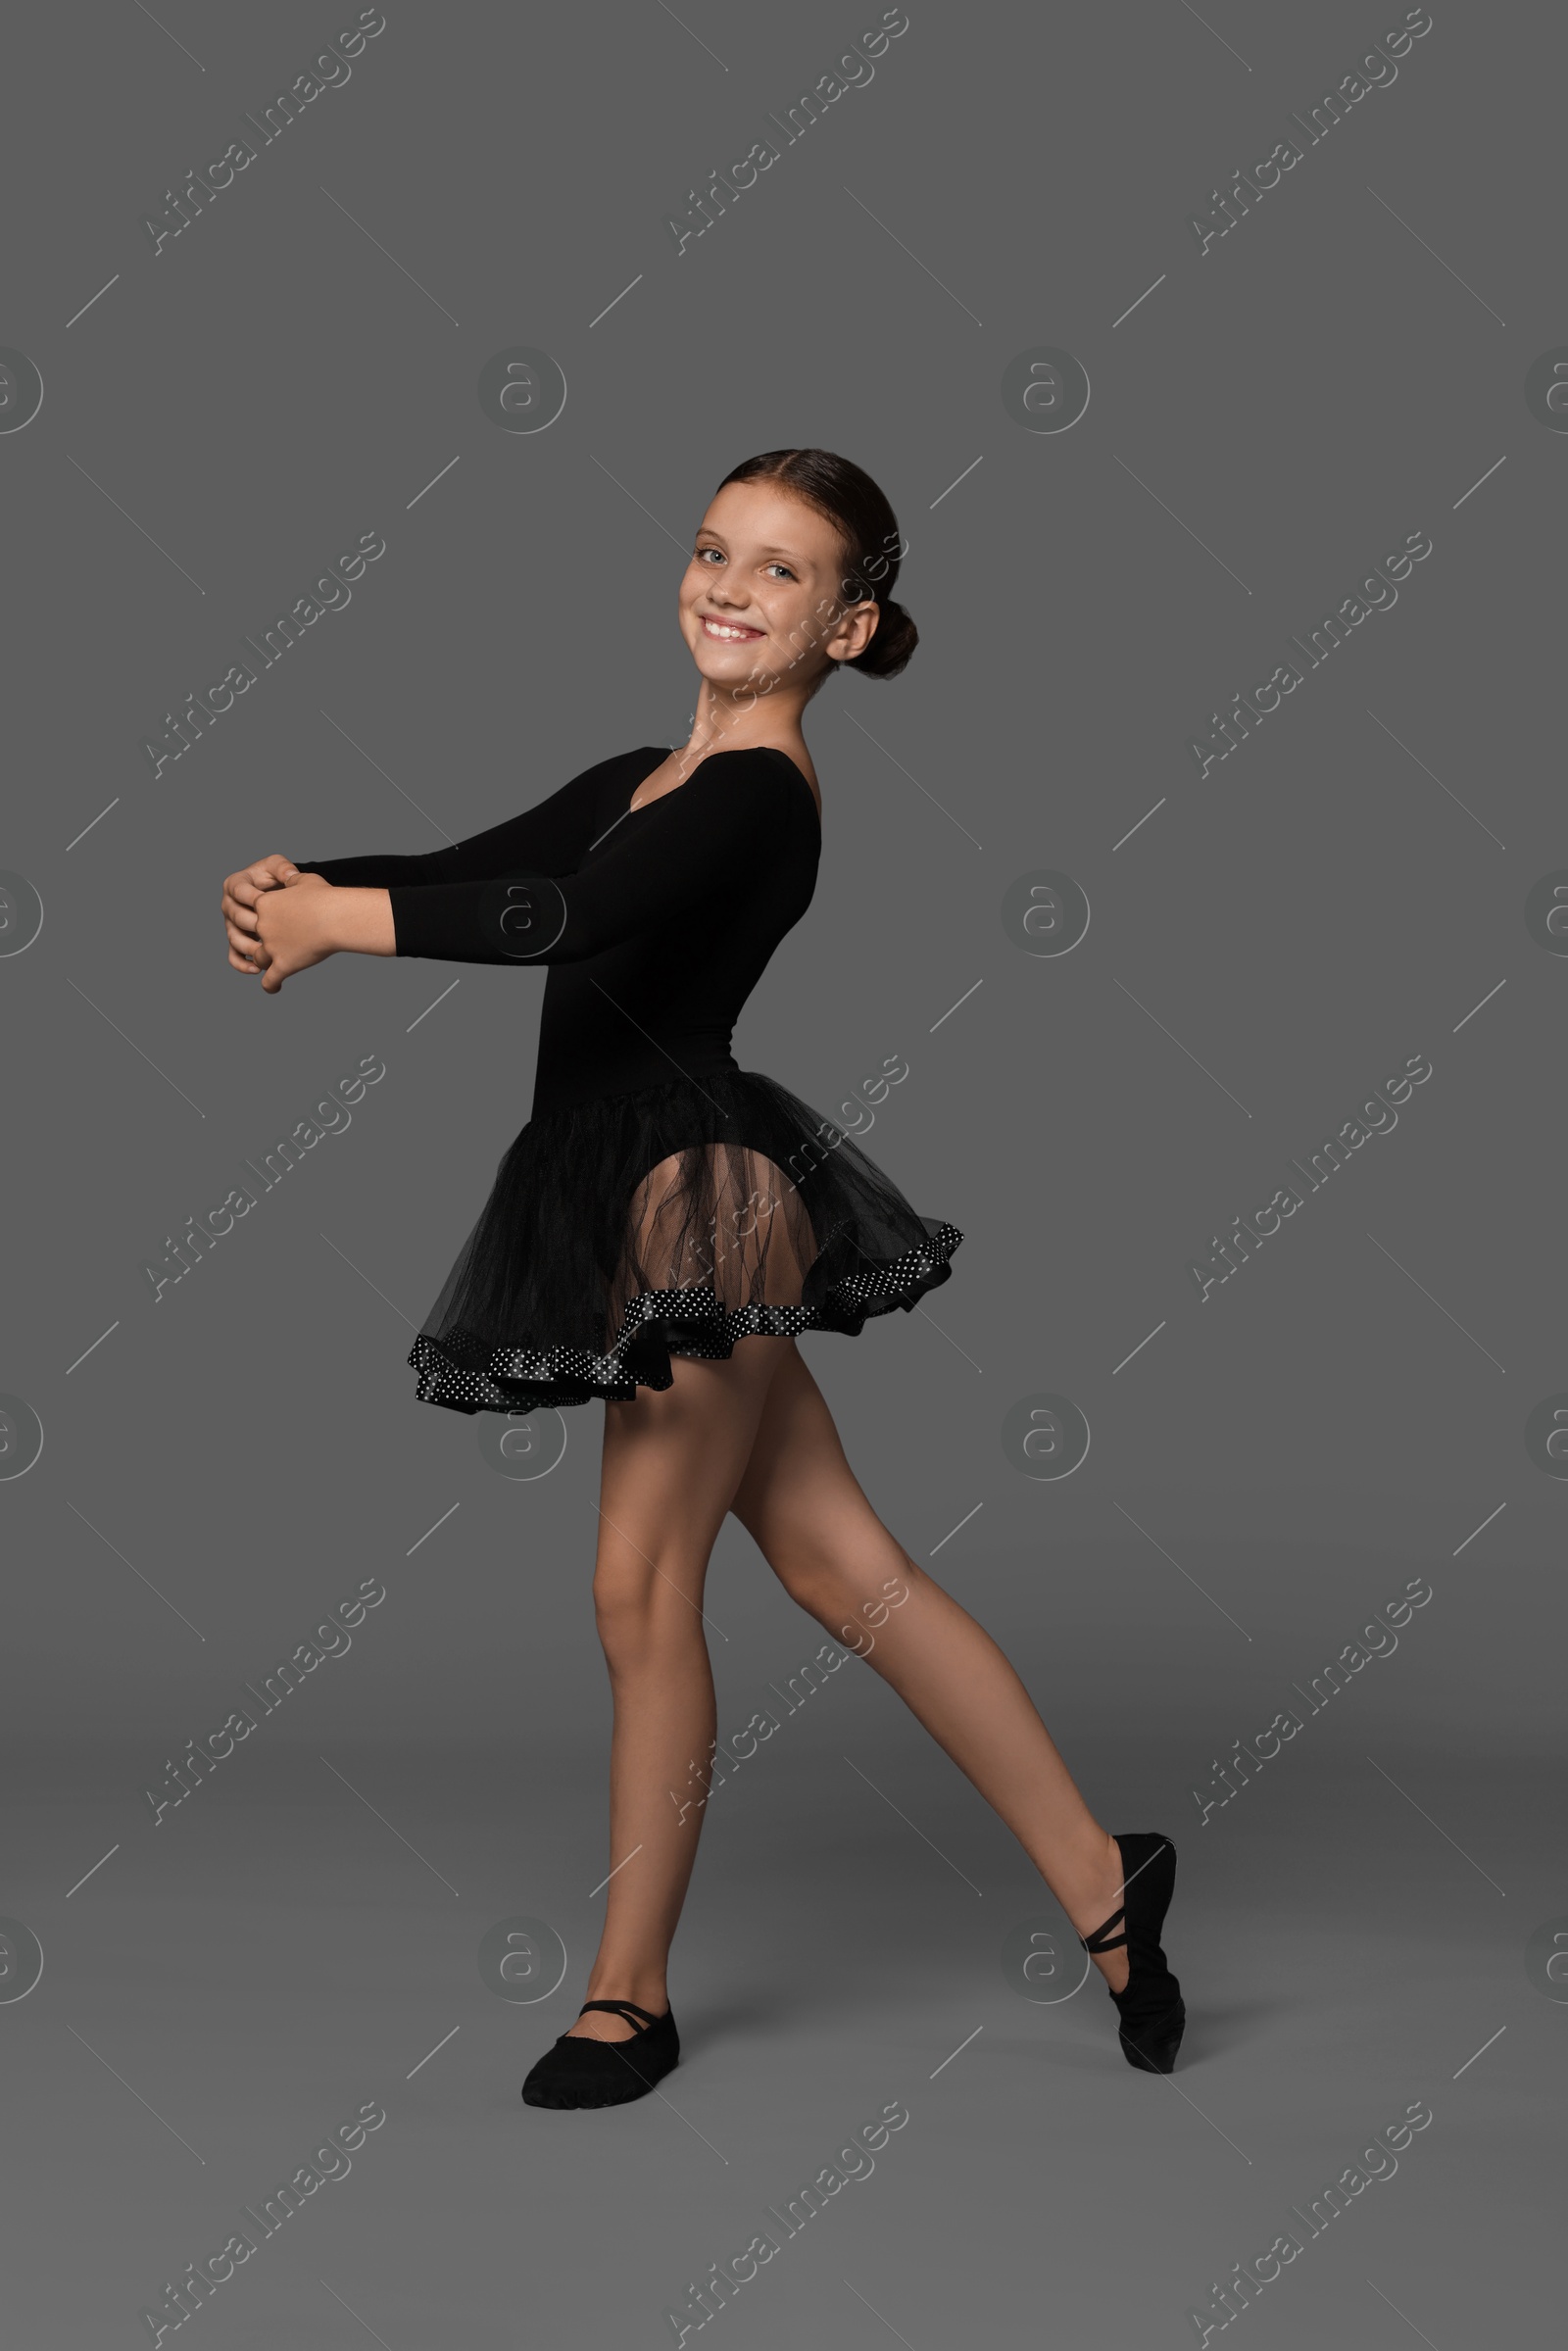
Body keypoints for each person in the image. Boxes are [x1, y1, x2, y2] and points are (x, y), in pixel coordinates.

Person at [219, 447, 1183, 2108]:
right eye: (712, 549)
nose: (729, 587)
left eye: (780, 572)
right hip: (637, 1185)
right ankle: (1110, 1882)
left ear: (847, 622)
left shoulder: (756, 795)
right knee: (846, 1571)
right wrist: (307, 880)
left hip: (698, 1195)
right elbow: (475, 866)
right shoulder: (643, 768)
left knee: (637, 1590)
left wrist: (340, 932)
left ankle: (628, 1997)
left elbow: (556, 922)